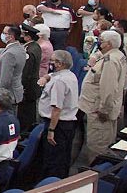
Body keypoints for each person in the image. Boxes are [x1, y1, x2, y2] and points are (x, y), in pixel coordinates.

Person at [76, 30, 127, 168]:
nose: (99, 43)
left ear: (109, 44)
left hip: (99, 112)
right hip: (99, 108)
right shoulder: (117, 55)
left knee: (97, 148)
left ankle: (95, 175)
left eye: (101, 41)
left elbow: (108, 89)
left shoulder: (110, 61)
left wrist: (103, 110)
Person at [37, 50, 79, 179]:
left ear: (59, 63)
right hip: (68, 124)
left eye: (52, 60)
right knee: (63, 158)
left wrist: (51, 130)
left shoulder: (59, 82)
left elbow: (56, 108)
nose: (50, 63)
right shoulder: (70, 75)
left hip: (57, 125)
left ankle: (50, 183)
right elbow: (52, 75)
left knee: (53, 161)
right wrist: (45, 77)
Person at [0, 25, 25, 112]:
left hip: (7, 96)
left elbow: (5, 80)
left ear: (11, 37)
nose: (2, 34)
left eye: (4, 33)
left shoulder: (10, 54)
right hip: (15, 92)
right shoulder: (20, 48)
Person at [18, 24, 42, 130]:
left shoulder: (29, 51)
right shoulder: (35, 46)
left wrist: (22, 86)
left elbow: (26, 72)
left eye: (22, 35)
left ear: (28, 37)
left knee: (25, 112)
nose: (21, 37)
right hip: (32, 85)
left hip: (29, 87)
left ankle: (25, 132)